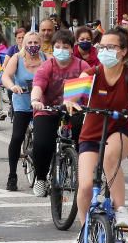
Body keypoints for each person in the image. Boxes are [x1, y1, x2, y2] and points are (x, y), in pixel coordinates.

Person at [72, 27, 128, 243]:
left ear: (124, 51)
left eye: (111, 47)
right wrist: (72, 102)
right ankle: (85, 231)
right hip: (92, 133)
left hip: (122, 129)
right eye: (102, 46)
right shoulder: (91, 74)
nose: (104, 50)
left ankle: (121, 210)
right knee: (86, 186)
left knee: (109, 157)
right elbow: (74, 94)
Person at [30, 29, 90, 197]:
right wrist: (35, 101)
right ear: (53, 48)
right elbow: (38, 86)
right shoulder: (47, 66)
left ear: (72, 48)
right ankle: (41, 178)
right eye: (58, 46)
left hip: (74, 110)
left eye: (65, 46)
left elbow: (88, 84)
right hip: (47, 110)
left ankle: (84, 175)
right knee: (42, 144)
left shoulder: (81, 66)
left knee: (85, 140)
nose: (61, 49)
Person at [2, 31, 45, 191]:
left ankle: (43, 174)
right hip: (22, 103)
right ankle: (12, 175)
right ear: (23, 44)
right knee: (17, 136)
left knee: (44, 139)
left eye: (35, 42)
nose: (32, 45)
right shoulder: (17, 59)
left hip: (41, 104)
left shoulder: (46, 59)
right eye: (29, 42)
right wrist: (12, 86)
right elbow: (6, 76)